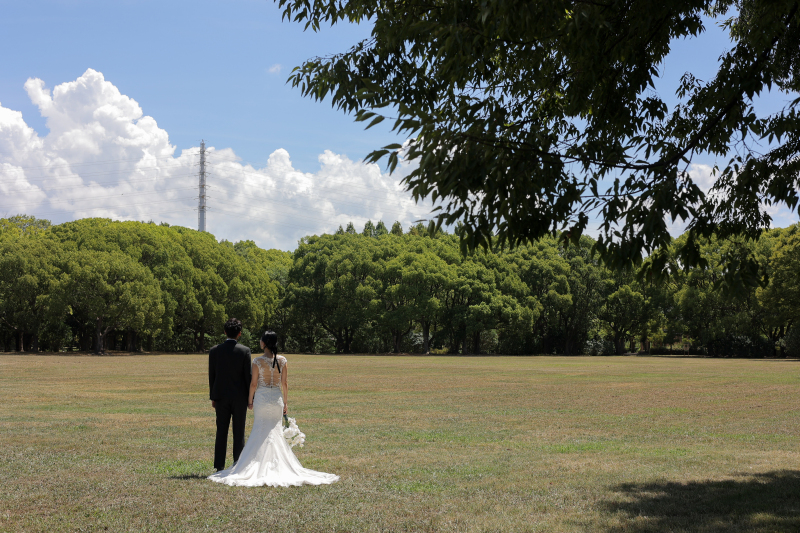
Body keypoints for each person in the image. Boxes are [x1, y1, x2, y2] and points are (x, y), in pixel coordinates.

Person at [208, 330, 339, 487]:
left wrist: (250, 400)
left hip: (262, 400)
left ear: (264, 343)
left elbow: (254, 384)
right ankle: (277, 465)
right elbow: (284, 383)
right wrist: (285, 403)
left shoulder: (257, 361)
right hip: (276, 399)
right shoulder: (282, 360)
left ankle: (252, 464)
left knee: (260, 430)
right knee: (274, 432)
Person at [208, 318, 252, 472]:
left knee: (221, 431)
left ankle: (219, 465)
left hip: (220, 396)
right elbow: (248, 377)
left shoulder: (214, 351)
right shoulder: (245, 351)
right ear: (239, 334)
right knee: (239, 431)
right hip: (240, 397)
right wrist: (250, 398)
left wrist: (213, 396)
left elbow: (211, 376)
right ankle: (238, 464)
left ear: (225, 332)